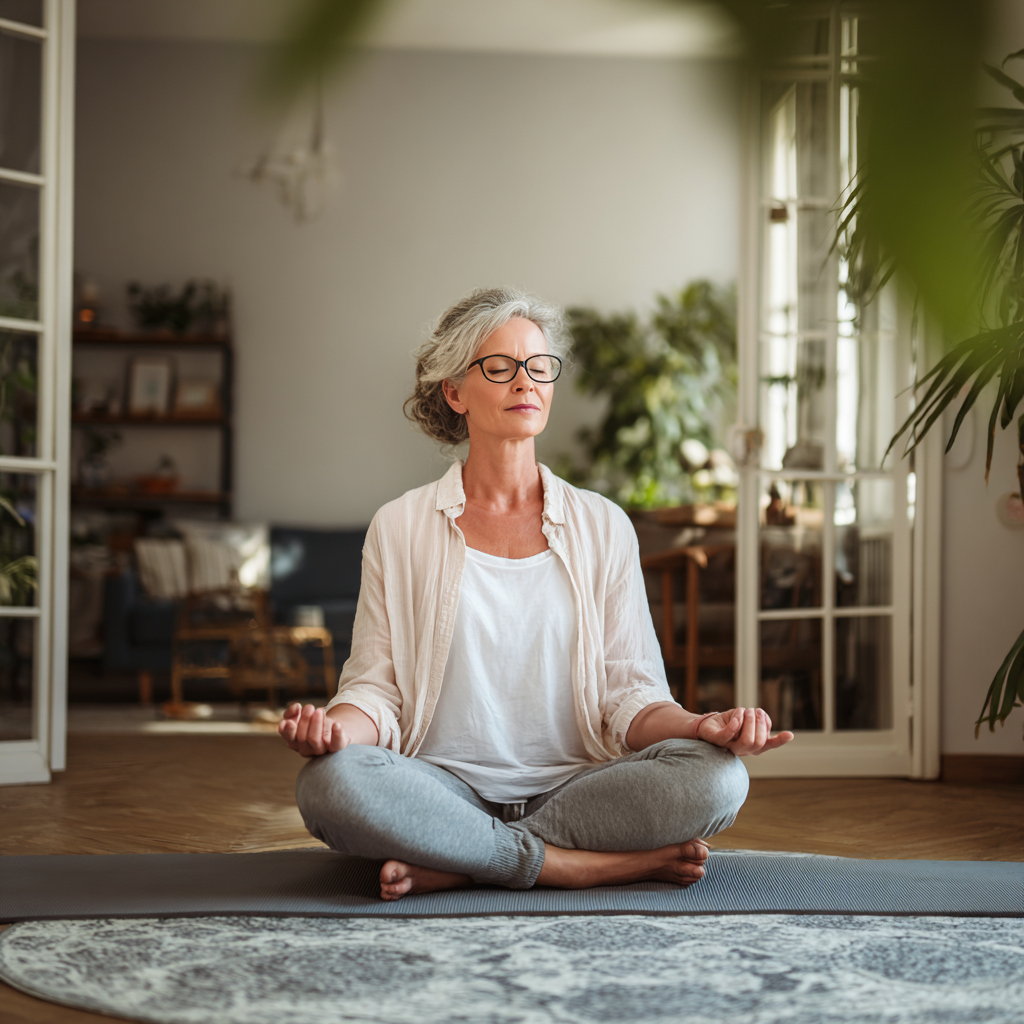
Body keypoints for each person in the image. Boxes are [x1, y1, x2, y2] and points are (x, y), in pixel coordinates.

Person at [279, 286, 793, 901]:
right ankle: (579, 867)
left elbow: (630, 695)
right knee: (328, 785)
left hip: (579, 790)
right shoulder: (401, 525)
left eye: (538, 366)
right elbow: (376, 690)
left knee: (718, 780)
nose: (525, 381)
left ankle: (465, 859)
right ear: (454, 392)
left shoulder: (602, 525)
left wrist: (701, 725)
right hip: (442, 786)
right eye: (499, 367)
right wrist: (335, 730)